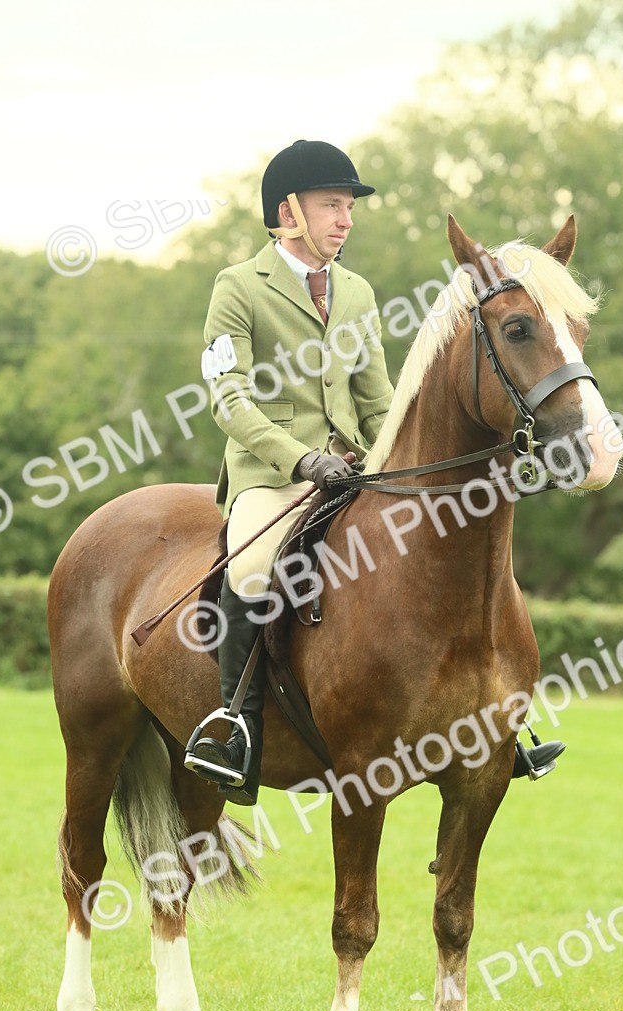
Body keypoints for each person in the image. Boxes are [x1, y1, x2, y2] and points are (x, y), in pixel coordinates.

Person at [184, 138, 565, 804]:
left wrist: (398, 458)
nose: (345, 219)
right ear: (288, 212)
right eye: (332, 205)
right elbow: (229, 395)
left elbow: (377, 399)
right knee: (250, 568)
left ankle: (502, 720)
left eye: (348, 207)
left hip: (354, 469)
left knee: (456, 548)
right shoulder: (238, 288)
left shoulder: (357, 292)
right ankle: (235, 729)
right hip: (274, 474)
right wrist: (299, 457)